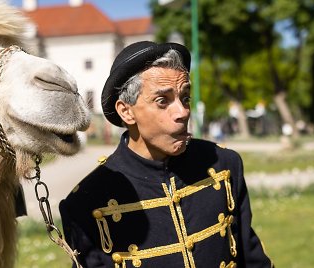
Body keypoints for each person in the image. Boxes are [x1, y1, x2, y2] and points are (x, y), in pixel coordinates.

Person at [59, 41, 273, 268]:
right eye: (163, 101)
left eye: (185, 98)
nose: (182, 112)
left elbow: (253, 261)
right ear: (126, 111)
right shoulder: (86, 201)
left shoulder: (224, 164)